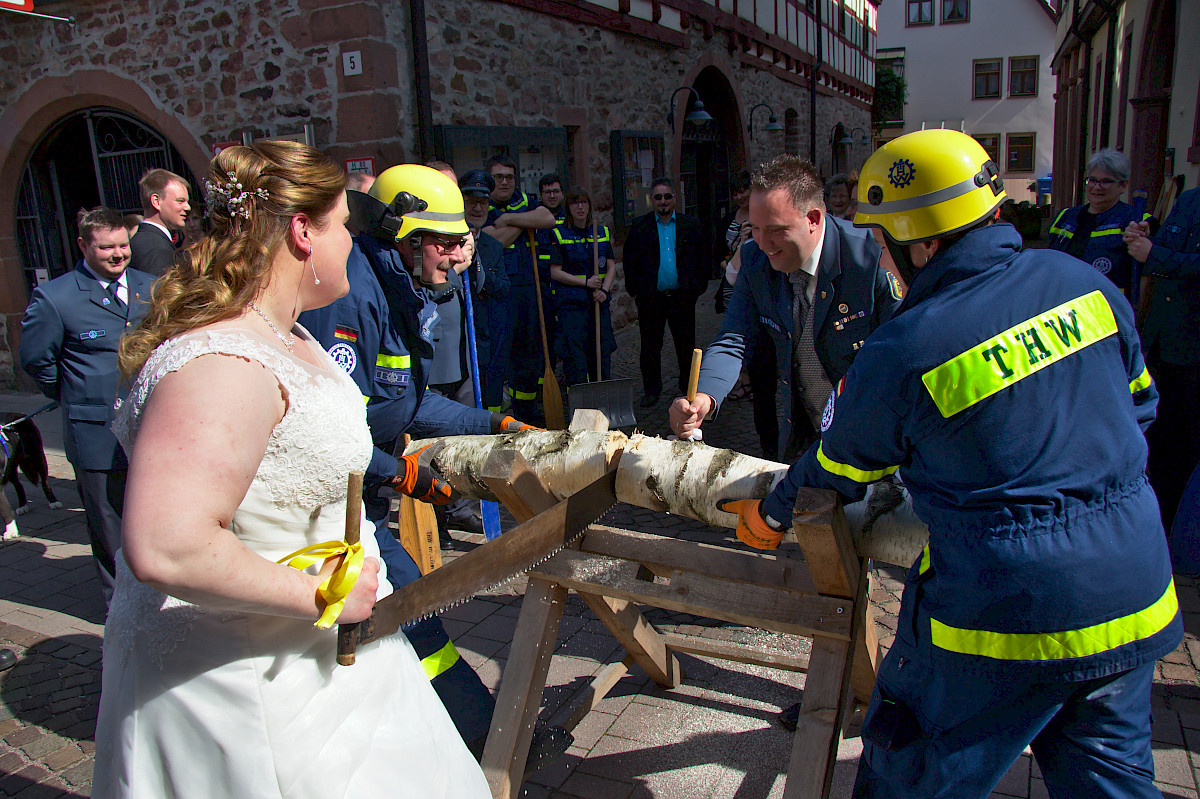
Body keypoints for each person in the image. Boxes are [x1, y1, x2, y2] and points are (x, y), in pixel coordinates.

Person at [720, 130, 1181, 797]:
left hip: (1002, 614)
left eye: (883, 239)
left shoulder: (908, 345)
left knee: (908, 769)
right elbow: (1140, 407)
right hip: (1134, 592)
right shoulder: (1081, 283)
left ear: (923, 243)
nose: (878, 253)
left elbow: (838, 466)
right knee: (1109, 782)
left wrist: (768, 513)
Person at [92, 142, 490, 798]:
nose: (350, 247)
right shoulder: (223, 362)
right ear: (303, 232)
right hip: (245, 690)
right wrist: (323, 594)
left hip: (320, 665)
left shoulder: (290, 335)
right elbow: (169, 543)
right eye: (341, 226)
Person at [299, 164, 563, 764]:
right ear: (405, 239)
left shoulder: (399, 289)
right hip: (324, 510)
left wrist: (492, 422)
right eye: (444, 242)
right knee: (408, 607)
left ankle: (466, 732)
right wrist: (399, 473)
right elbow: (321, 433)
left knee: (410, 608)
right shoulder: (349, 300)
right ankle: (475, 737)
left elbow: (407, 399)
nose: (459, 254)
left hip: (359, 499)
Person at [670, 156, 902, 460]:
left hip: (875, 440)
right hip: (806, 438)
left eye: (776, 229)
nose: (764, 242)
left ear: (814, 219)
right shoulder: (755, 259)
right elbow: (734, 338)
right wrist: (704, 396)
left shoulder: (872, 259)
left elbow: (901, 363)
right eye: (754, 228)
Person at [19, 208, 155, 606]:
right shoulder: (56, 297)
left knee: (155, 519)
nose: (118, 254)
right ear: (83, 245)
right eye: (106, 247)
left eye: (123, 246)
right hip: (98, 434)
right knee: (110, 528)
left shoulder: (154, 287)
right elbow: (36, 360)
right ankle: (122, 612)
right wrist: (74, 394)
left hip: (153, 429)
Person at [1126, 186, 1200, 531]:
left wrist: (1154, 255)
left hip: (1192, 352)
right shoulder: (1188, 199)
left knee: (1187, 452)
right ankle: (1158, 526)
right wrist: (1144, 236)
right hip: (1160, 343)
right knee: (1159, 444)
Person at [622, 177, 710, 407]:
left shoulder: (690, 225)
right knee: (650, 347)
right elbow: (629, 261)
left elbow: (702, 257)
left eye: (667, 196)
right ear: (652, 200)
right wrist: (637, 291)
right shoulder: (640, 227)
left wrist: (696, 288)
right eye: (658, 197)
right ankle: (652, 390)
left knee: (686, 346)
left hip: (682, 298)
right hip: (651, 299)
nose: (663, 201)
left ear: (675, 198)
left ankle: (687, 389)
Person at [483, 155, 556, 420]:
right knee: (499, 356)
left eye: (509, 177)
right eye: (499, 177)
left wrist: (510, 219)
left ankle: (525, 411)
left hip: (530, 290)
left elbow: (547, 218)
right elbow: (492, 240)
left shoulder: (524, 202)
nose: (505, 182)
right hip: (500, 293)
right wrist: (525, 223)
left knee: (529, 354)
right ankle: (492, 416)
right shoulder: (484, 206)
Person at [1048, 149, 1146, 298]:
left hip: (1107, 309)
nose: (1096, 187)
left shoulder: (1135, 221)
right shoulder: (1066, 216)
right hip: (1062, 303)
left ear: (1123, 186)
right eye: (1092, 180)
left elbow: (1147, 276)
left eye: (1106, 181)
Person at [548, 187, 617, 387]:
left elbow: (611, 265)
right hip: (572, 307)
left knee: (602, 353)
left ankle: (602, 396)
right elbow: (555, 272)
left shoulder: (601, 232)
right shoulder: (559, 234)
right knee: (576, 358)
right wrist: (586, 283)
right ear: (568, 208)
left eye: (584, 202)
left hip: (598, 304)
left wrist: (604, 289)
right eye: (574, 203)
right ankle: (579, 403)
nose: (580, 207)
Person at [460, 168, 511, 411]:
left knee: (491, 402)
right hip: (460, 342)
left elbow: (503, 289)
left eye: (482, 203)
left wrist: (479, 268)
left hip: (488, 339)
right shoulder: (448, 243)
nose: (478, 209)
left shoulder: (492, 246)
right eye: (471, 202)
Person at [129, 168, 191, 277]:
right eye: (180, 201)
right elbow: (159, 292)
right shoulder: (155, 249)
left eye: (187, 202)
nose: (188, 207)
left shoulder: (144, 239)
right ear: (156, 201)